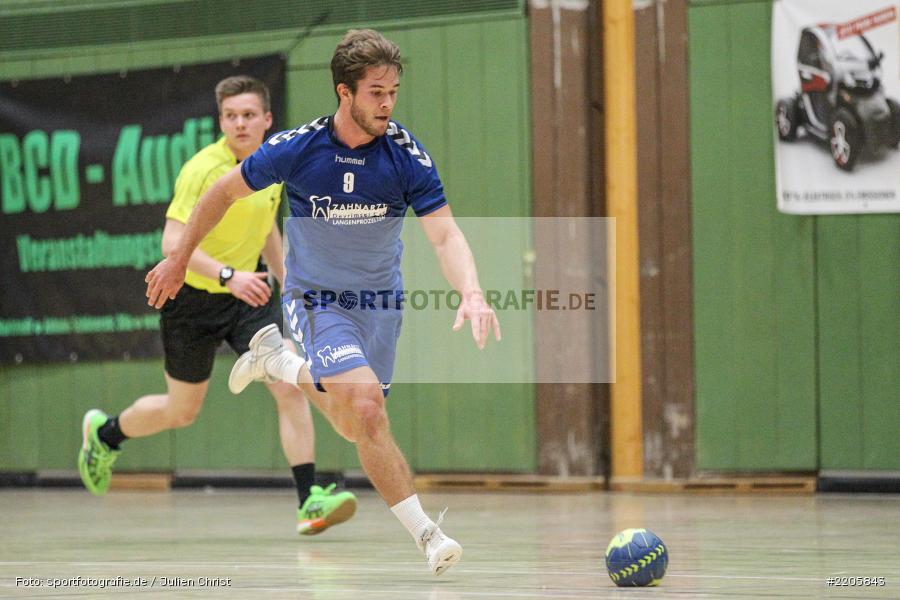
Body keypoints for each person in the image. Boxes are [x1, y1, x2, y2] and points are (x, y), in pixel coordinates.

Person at [144, 30, 501, 576]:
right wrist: (179, 258)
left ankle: (279, 362)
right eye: (376, 92)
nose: (387, 103)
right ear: (345, 92)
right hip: (317, 300)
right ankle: (429, 536)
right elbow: (220, 193)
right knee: (365, 408)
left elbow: (445, 235)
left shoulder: (405, 155)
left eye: (393, 92)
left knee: (354, 422)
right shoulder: (299, 148)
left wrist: (472, 292)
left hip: (380, 302)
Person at [78, 75, 357, 536]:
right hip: (192, 300)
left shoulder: (273, 166)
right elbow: (172, 242)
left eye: (249, 115)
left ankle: (310, 499)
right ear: (221, 121)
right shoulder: (203, 169)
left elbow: (265, 227)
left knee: (286, 385)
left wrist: (291, 287)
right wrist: (229, 275)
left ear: (267, 120)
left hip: (248, 300)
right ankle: (105, 435)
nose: (240, 124)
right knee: (182, 410)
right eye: (230, 116)